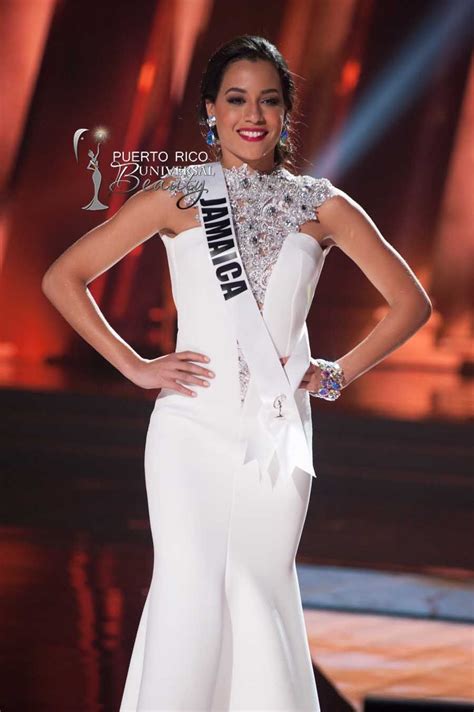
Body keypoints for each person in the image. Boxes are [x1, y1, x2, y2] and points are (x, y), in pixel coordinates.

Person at [42, 34, 432, 712]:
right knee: (189, 587)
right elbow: (63, 277)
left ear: (286, 113)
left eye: (269, 101)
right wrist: (135, 367)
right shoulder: (178, 196)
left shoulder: (322, 204)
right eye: (236, 98)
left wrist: (335, 372)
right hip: (189, 428)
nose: (252, 114)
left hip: (274, 437)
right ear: (210, 111)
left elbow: (411, 304)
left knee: (257, 585)